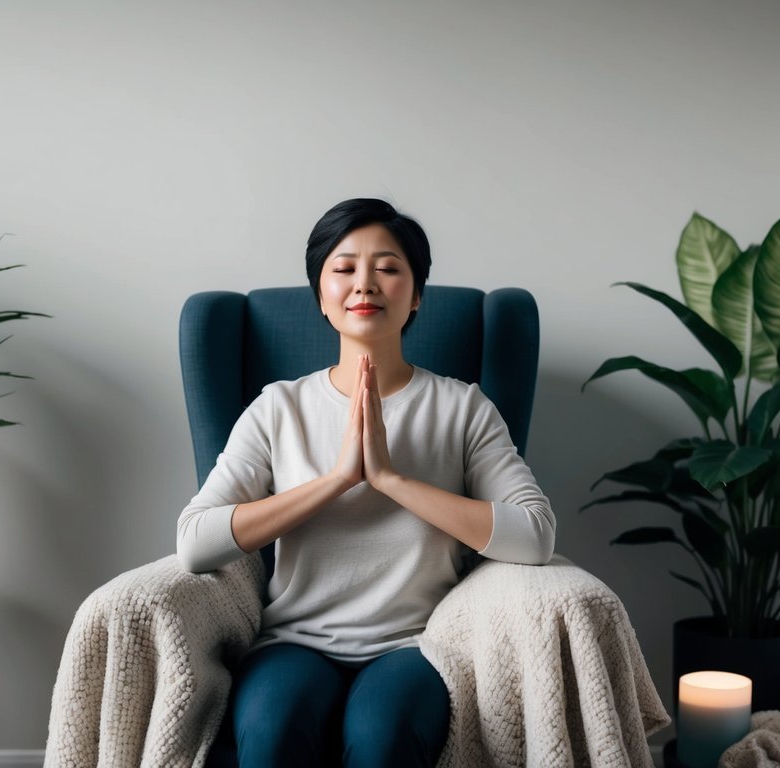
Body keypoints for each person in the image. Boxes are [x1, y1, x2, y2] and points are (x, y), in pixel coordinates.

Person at [176, 198, 555, 767]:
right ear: (321, 297)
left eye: (388, 267)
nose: (365, 283)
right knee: (272, 731)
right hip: (294, 642)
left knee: (384, 738)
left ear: (416, 295)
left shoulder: (463, 409)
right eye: (344, 267)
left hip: (419, 644)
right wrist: (337, 479)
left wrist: (391, 479)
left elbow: (534, 536)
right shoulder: (278, 409)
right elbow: (196, 542)